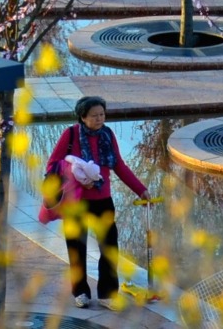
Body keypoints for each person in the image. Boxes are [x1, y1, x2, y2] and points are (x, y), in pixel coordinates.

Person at [41, 96, 150, 311]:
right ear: (83, 117)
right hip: (77, 202)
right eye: (94, 115)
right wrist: (76, 170)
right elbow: (53, 164)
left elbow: (118, 164)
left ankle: (107, 294)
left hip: (103, 201)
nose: (100, 118)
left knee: (109, 247)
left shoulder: (107, 135)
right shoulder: (70, 134)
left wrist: (141, 189)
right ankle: (80, 292)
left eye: (102, 114)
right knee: (77, 248)